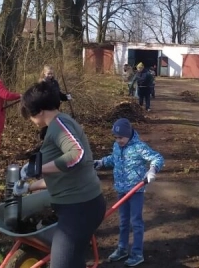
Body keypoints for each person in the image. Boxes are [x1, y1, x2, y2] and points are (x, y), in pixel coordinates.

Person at [14, 80, 106, 268]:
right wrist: (29, 187)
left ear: (39, 111)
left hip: (80, 208)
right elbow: (63, 173)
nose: (31, 121)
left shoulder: (58, 125)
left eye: (30, 115)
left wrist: (36, 169)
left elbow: (77, 155)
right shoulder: (58, 125)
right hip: (75, 206)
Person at [94, 118, 164, 267]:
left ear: (129, 134)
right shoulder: (117, 146)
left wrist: (152, 170)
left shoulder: (139, 147)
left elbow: (157, 158)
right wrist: (102, 162)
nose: (118, 140)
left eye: (121, 137)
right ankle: (122, 248)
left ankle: (137, 253)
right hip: (121, 189)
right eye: (116, 137)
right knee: (123, 221)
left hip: (136, 190)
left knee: (136, 222)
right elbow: (114, 159)